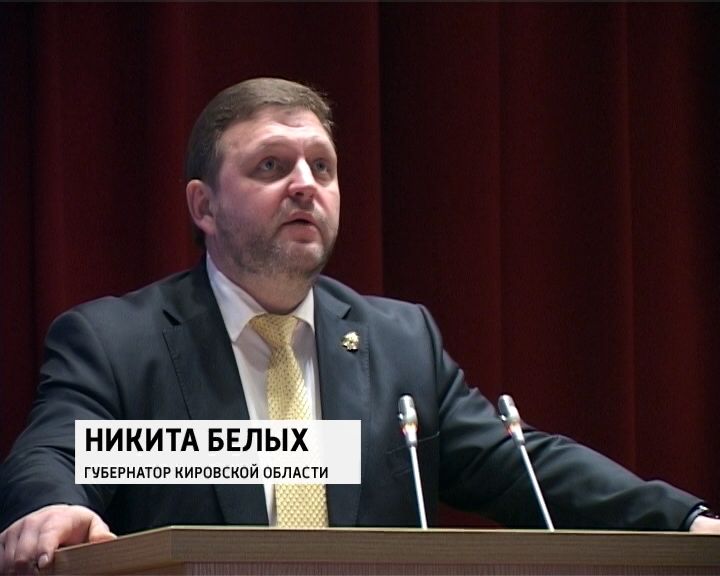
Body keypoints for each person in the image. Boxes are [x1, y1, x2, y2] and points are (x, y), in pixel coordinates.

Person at [0, 77, 718, 574]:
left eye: (323, 166)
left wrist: (686, 522)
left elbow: (524, 468)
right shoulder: (117, 342)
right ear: (204, 206)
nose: (305, 183)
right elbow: (55, 453)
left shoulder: (400, 342)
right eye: (272, 165)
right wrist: (54, 506)